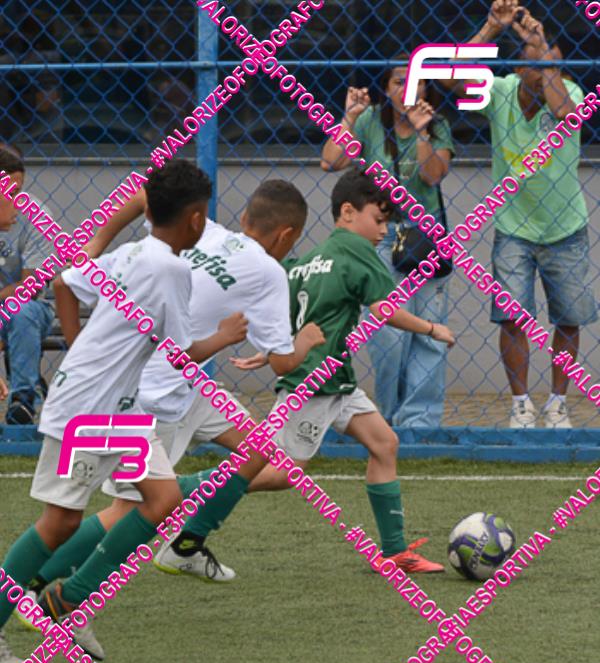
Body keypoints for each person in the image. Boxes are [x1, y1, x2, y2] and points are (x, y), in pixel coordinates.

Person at [18, 181, 324, 659]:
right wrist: (306, 340)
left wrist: (95, 243)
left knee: (262, 450)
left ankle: (185, 544)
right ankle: (45, 590)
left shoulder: (206, 232)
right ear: (287, 235)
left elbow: (143, 192)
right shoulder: (266, 270)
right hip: (151, 393)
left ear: (244, 218)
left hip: (185, 386)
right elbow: (285, 362)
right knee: (125, 511)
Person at [0, 160, 248, 663]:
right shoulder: (172, 269)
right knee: (59, 522)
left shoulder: (133, 252)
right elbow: (178, 355)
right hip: (89, 409)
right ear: (195, 219)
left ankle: (68, 599)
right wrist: (225, 336)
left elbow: (65, 284)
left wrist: (76, 349)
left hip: (116, 407)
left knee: (164, 499)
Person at [149, 170, 455, 580]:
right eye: (379, 219)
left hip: (335, 379)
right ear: (348, 212)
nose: (384, 231)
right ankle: (178, 490)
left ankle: (394, 552)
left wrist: (267, 354)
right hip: (316, 383)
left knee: (385, 443)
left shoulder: (309, 261)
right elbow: (384, 308)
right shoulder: (356, 249)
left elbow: (294, 318)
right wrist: (432, 328)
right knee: (280, 473)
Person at [445, 0, 596, 428]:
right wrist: (492, 28)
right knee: (512, 319)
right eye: (532, 64)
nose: (541, 72)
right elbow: (449, 76)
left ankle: (558, 404)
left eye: (551, 65)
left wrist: (543, 51)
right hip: (514, 228)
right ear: (515, 69)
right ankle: (521, 405)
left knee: (568, 319)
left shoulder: (570, 93)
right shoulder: (501, 92)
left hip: (566, 228)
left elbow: (564, 113)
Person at [321, 68, 455, 427]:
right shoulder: (370, 121)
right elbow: (331, 161)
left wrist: (423, 132)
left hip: (425, 236)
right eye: (400, 82)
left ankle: (420, 422)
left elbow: (432, 175)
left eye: (418, 82)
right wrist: (349, 117)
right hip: (382, 235)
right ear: (385, 89)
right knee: (389, 335)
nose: (410, 89)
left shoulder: (437, 124)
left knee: (430, 333)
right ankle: (391, 416)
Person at [0, 144, 55, 423]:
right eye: (10, 193)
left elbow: (29, 286)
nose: (18, 200)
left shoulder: (36, 215)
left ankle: (21, 403)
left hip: (27, 306)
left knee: (20, 312)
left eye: (19, 191)